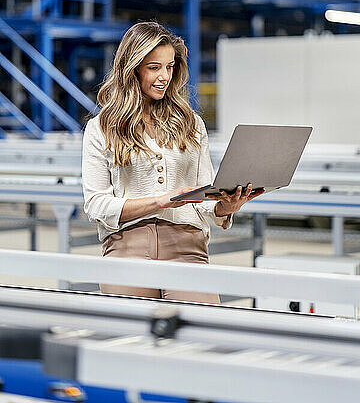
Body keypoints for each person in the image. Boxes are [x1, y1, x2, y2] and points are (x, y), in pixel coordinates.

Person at [82, 21, 263, 303]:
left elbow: (203, 195)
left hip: (187, 246)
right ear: (132, 69)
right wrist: (160, 201)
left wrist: (223, 207)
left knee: (201, 338)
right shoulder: (101, 128)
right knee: (130, 342)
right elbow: (96, 205)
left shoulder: (191, 124)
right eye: (154, 67)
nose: (164, 76)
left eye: (169, 66)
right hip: (127, 246)